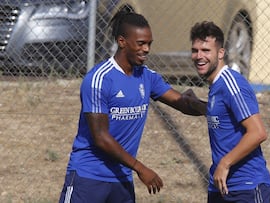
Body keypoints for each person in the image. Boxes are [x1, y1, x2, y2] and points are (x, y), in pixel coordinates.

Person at [59, 10, 206, 203]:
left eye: (149, 44)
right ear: (122, 42)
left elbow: (181, 103)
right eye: (141, 43)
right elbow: (101, 137)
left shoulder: (147, 76)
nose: (146, 49)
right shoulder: (99, 79)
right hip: (89, 177)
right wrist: (140, 168)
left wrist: (215, 108)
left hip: (121, 178)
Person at [190, 21, 270, 203]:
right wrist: (197, 105)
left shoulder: (231, 84)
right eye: (195, 50)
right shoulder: (216, 85)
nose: (199, 56)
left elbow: (258, 132)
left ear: (221, 53)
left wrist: (225, 163)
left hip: (247, 187)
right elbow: (224, 114)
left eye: (206, 50)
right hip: (221, 186)